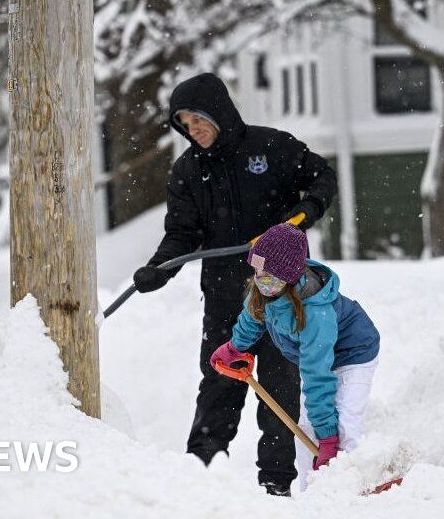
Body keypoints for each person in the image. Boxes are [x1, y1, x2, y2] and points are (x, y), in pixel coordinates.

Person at [132, 72, 337, 496]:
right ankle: (201, 473)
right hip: (226, 297)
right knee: (220, 379)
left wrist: (299, 218)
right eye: (185, 125)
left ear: (219, 111)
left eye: (199, 120)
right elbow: (182, 234)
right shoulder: (187, 171)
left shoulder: (271, 147)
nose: (194, 131)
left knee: (280, 387)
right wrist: (159, 268)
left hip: (282, 293)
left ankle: (276, 484)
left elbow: (322, 179)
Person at [210, 223, 380, 491]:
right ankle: (313, 493)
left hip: (353, 354)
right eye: (256, 271)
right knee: (305, 429)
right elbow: (252, 318)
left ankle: (356, 488)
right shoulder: (266, 290)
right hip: (316, 356)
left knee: (344, 426)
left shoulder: (316, 312)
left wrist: (328, 438)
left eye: (268, 274)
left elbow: (316, 375)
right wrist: (234, 348)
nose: (259, 279)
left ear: (288, 276)